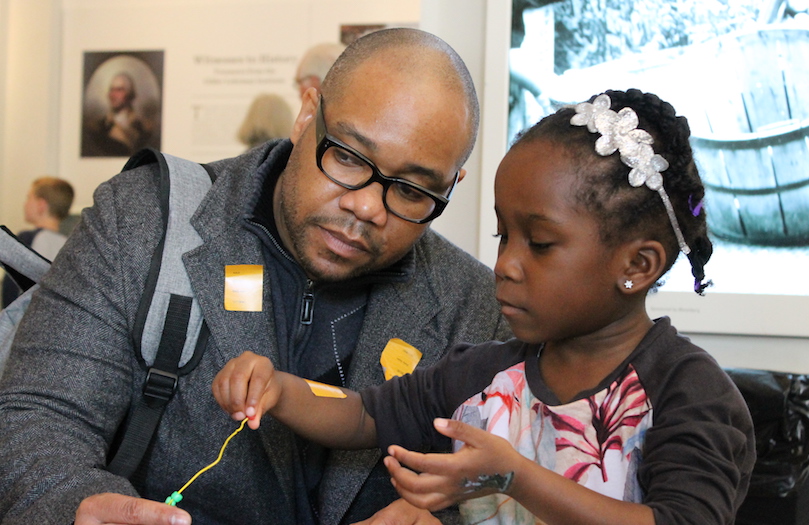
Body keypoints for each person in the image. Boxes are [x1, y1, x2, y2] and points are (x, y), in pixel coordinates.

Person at [0, 28, 511, 525]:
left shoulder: (476, 306)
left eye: (411, 191)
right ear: (307, 113)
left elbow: (512, 479)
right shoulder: (141, 221)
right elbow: (38, 413)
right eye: (349, 158)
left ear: (451, 184)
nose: (366, 206)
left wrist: (448, 518)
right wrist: (78, 502)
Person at [213, 89, 757, 525]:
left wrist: (512, 476)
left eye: (539, 244)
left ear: (636, 266)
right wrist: (281, 390)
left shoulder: (686, 391)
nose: (506, 265)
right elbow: (362, 414)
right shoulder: (487, 373)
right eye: (503, 237)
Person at [1, 177, 74, 308]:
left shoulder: (27, 238)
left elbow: (12, 291)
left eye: (29, 198)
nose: (25, 203)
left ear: (41, 205)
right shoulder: (70, 244)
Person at [82, 71, 154, 156]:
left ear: (130, 94)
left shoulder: (144, 127)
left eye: (119, 90)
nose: (113, 95)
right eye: (111, 90)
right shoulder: (98, 127)